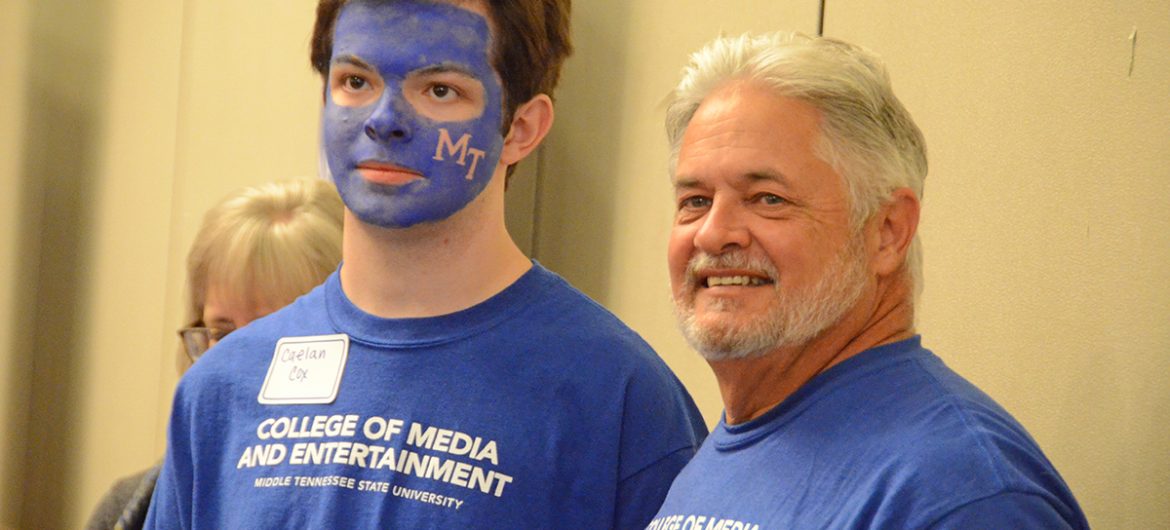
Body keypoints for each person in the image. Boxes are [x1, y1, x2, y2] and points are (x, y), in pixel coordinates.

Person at [145, 1, 706, 528]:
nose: (384, 120)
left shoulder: (619, 400)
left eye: (439, 90)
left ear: (522, 129)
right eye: (356, 82)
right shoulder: (221, 390)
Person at [648, 32, 1089, 529]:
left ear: (887, 231)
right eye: (695, 201)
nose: (712, 233)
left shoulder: (960, 494)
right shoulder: (732, 450)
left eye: (768, 198)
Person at [86, 178, 344, 529]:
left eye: (268, 333)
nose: (235, 364)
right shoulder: (130, 510)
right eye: (222, 334)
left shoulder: (371, 503)